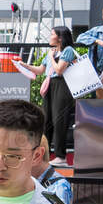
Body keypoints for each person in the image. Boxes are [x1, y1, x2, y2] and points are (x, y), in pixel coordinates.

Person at [26, 26, 77, 165]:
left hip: (62, 85)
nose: (50, 36)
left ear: (60, 38)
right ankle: (44, 154)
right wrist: (25, 65)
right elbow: (41, 70)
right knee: (46, 120)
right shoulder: (51, 51)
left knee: (59, 120)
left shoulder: (68, 50)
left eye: (52, 34)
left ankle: (61, 156)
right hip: (50, 85)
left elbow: (59, 70)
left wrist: (51, 57)